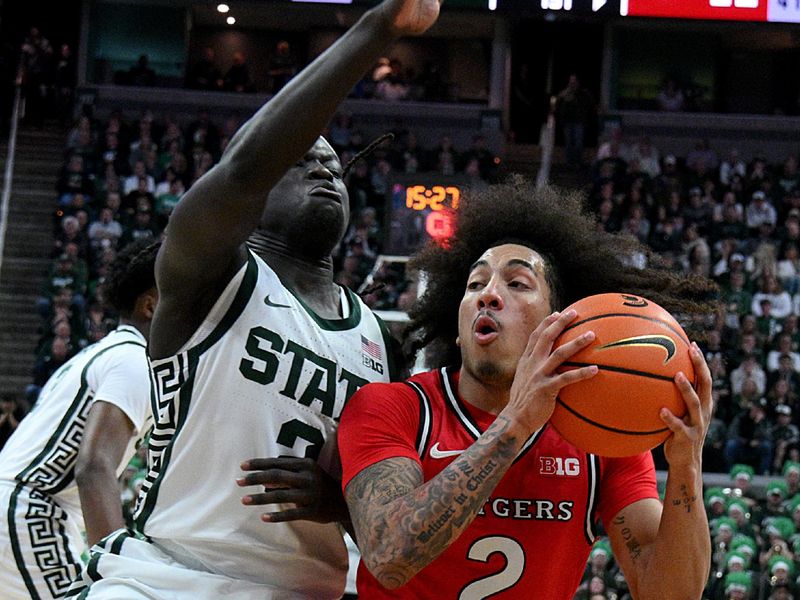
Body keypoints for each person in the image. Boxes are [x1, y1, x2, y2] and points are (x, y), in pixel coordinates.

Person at [67, 0, 441, 598]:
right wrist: (379, 29)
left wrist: (339, 501)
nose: (326, 172)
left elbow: (384, 505)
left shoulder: (377, 336)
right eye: (301, 161)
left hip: (305, 588)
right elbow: (244, 167)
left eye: (336, 168)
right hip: (170, 578)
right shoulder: (209, 270)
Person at [338, 178, 715, 598]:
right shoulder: (395, 407)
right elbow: (389, 555)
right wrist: (516, 422)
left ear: (559, 323)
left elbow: (670, 595)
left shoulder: (601, 441)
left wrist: (686, 466)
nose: (489, 295)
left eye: (517, 284)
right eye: (475, 285)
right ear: (459, 330)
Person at [0, 239, 158, 599]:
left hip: (25, 506)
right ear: (150, 306)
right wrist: (115, 570)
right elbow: (94, 466)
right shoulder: (132, 361)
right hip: (33, 510)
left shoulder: (100, 353)